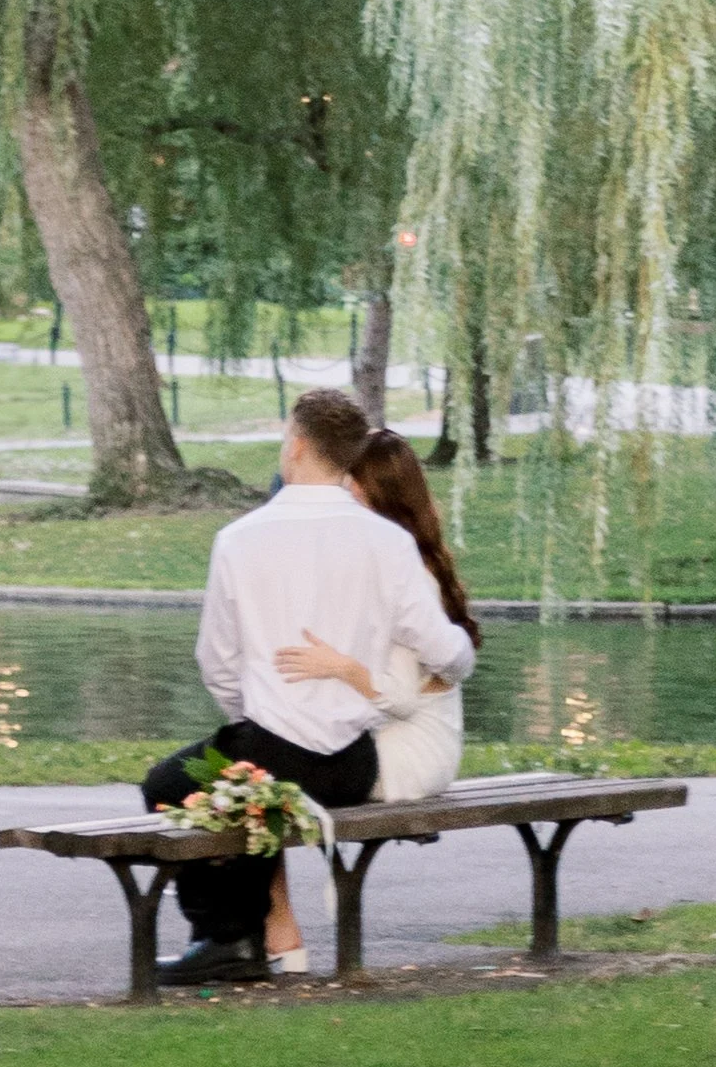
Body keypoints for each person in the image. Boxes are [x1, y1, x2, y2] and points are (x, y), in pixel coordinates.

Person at [141, 388, 479, 985]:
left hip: (275, 745)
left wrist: (253, 710)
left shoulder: (241, 539)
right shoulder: (388, 544)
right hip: (352, 761)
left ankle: (224, 937)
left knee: (173, 784)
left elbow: (217, 658)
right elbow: (449, 655)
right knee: (241, 781)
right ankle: (238, 938)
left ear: (295, 446)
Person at [261, 431, 480, 969]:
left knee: (250, 774)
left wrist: (340, 668)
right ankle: (270, 936)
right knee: (253, 771)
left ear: (369, 493)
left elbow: (402, 696)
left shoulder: (412, 578)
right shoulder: (388, 562)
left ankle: (276, 939)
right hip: (391, 742)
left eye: (344, 486)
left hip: (407, 755)